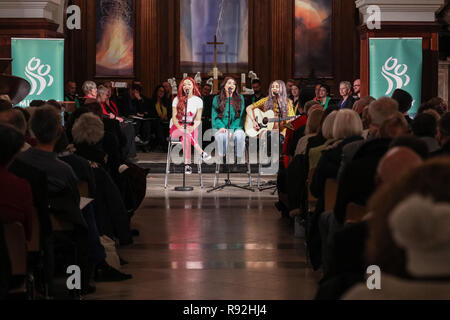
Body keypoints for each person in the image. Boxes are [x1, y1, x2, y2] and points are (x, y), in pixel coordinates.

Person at [170, 77, 211, 174]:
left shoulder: (198, 101)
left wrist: (192, 127)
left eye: (189, 84)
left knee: (186, 137)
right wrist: (181, 128)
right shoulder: (176, 99)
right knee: (185, 133)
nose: (186, 86)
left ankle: (187, 165)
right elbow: (174, 119)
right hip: (177, 127)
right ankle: (201, 152)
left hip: (191, 127)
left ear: (193, 86)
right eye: (184, 85)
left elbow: (198, 119)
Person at [212, 77, 247, 164]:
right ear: (224, 86)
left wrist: (232, 129)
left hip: (236, 127)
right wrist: (221, 127)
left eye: (234, 84)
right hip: (221, 127)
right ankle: (223, 160)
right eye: (229, 83)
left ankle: (237, 161)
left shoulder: (240, 98)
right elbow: (215, 116)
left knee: (239, 136)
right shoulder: (217, 99)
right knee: (222, 136)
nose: (231, 85)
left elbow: (241, 116)